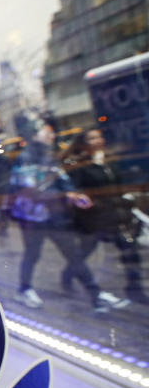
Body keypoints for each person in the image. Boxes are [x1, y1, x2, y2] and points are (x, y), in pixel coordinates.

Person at [10, 118, 129, 313]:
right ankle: (24, 289)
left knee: (73, 255)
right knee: (33, 254)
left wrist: (75, 194)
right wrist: (66, 195)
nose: (52, 135)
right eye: (46, 132)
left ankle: (96, 294)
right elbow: (30, 191)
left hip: (53, 215)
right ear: (33, 135)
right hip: (32, 217)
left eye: (51, 132)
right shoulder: (26, 158)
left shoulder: (48, 157)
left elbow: (62, 179)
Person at [61, 128, 147, 304]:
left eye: (99, 137)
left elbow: (119, 185)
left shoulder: (109, 161)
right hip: (94, 218)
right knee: (85, 251)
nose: (97, 140)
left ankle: (135, 289)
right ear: (84, 144)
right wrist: (81, 199)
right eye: (91, 138)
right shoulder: (80, 165)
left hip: (116, 216)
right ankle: (68, 274)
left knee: (130, 251)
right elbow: (74, 190)